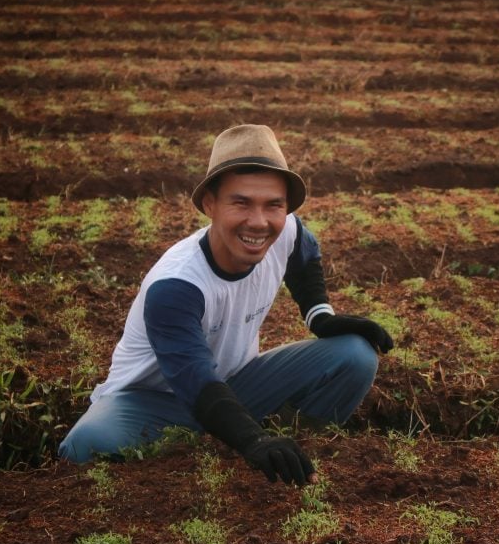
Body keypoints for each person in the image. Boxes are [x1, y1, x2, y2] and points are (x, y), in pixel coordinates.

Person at [58, 124, 393, 485]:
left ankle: (295, 443)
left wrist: (320, 317)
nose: (259, 221)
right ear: (209, 204)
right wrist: (253, 440)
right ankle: (243, 435)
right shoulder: (177, 285)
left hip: (236, 383)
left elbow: (304, 256)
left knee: (355, 355)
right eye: (241, 202)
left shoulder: (287, 230)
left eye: (273, 205)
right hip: (153, 402)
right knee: (84, 444)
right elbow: (194, 379)